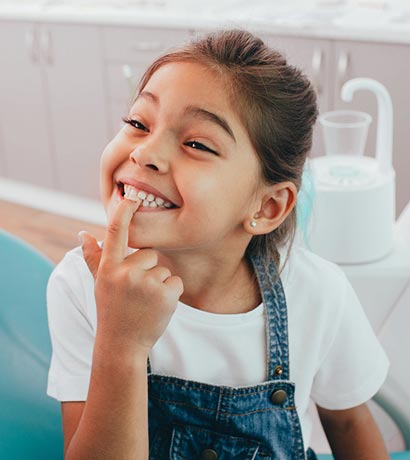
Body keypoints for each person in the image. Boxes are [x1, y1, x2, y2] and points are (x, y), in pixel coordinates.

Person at [46, 29, 390, 460]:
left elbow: (349, 421)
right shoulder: (81, 284)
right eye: (138, 123)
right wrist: (121, 344)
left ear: (266, 207)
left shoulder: (319, 293)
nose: (145, 153)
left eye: (196, 143)